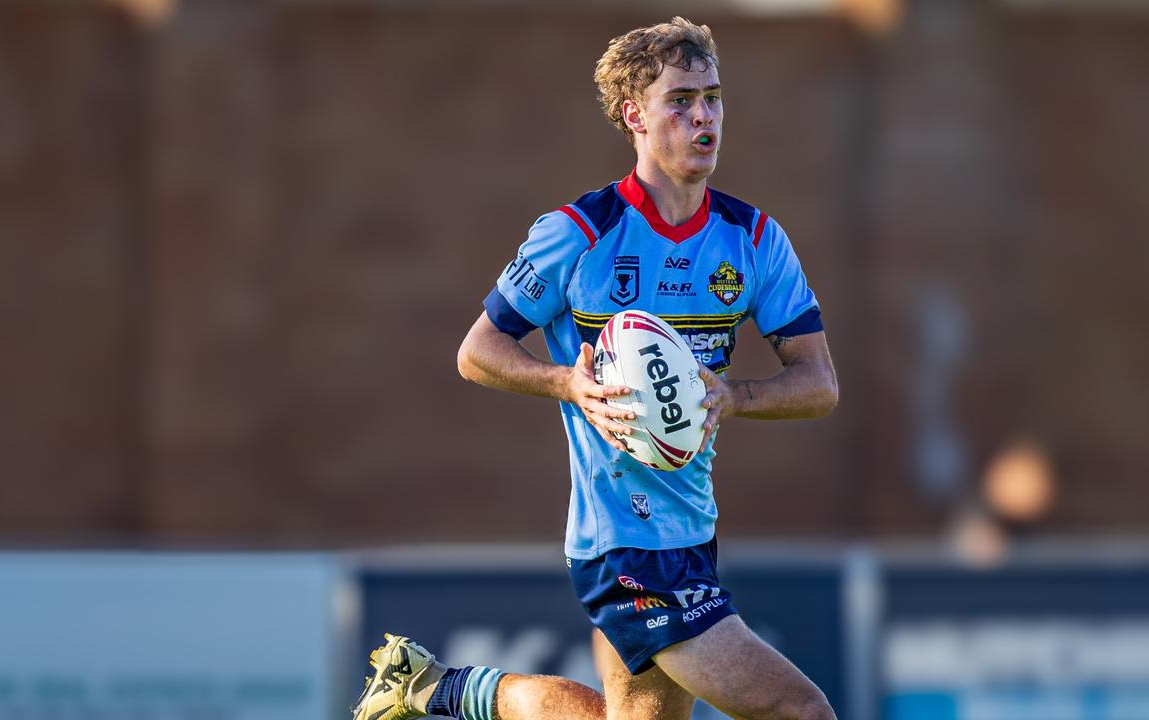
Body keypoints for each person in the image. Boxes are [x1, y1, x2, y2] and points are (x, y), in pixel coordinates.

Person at [353, 17, 839, 720]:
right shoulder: (579, 234)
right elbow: (476, 352)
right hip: (624, 543)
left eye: (713, 97)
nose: (703, 115)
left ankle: (437, 688)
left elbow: (819, 384)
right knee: (802, 710)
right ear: (633, 116)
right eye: (681, 100)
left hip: (691, 533)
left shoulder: (755, 240)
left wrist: (735, 395)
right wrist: (567, 383)